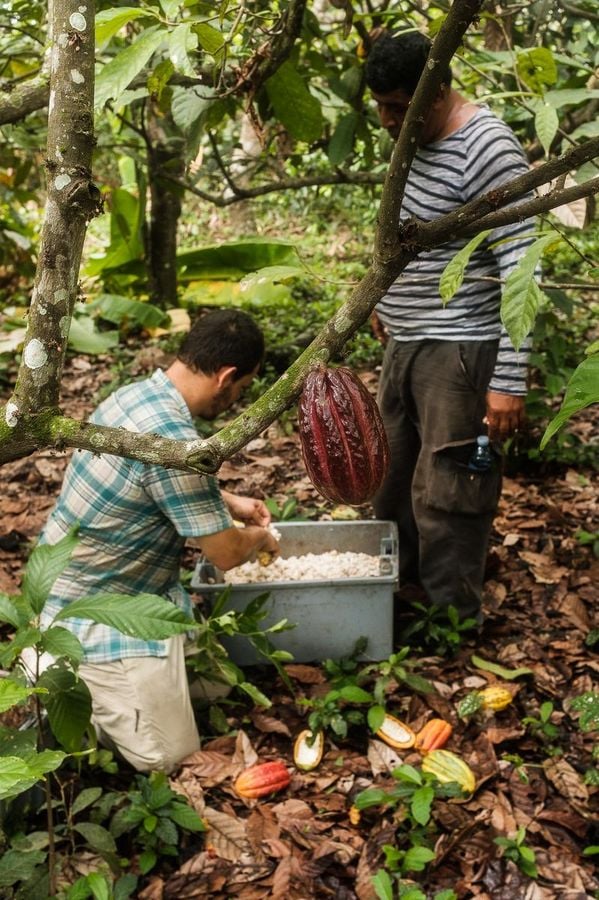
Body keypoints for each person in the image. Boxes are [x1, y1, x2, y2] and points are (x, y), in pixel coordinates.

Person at [34, 309, 280, 773]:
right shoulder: (177, 442)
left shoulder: (135, 398)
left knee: (216, 687)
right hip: (91, 613)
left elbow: (151, 477)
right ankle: (66, 684)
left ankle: (111, 687)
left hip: (100, 586)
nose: (236, 399)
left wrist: (229, 502)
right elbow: (226, 554)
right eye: (242, 389)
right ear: (226, 377)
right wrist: (261, 536)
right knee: (169, 755)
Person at [364, 32, 534, 621]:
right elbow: (408, 233)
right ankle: (392, 597)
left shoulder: (485, 147)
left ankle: (451, 619)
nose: (388, 120)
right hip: (406, 343)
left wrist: (508, 379)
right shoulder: (409, 137)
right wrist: (386, 303)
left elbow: (520, 261)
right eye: (381, 106)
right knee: (389, 478)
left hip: (461, 350)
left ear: (436, 92)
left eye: (398, 105)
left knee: (448, 493)